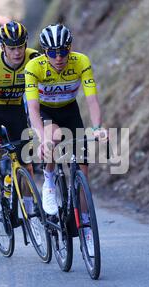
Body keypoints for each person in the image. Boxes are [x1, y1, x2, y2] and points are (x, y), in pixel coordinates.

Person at [24, 24, 108, 217]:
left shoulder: (81, 61)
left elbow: (92, 100)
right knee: (54, 137)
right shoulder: (33, 67)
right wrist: (42, 138)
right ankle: (49, 182)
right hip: (44, 111)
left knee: (83, 172)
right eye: (53, 53)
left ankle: (85, 224)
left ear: (69, 48)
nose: (59, 58)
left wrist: (97, 127)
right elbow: (33, 108)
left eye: (63, 51)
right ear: (45, 52)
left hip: (69, 110)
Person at [0, 20, 40, 218]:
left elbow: (40, 97)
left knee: (27, 162)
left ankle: (29, 209)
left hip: (16, 110)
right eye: (12, 48)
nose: (17, 52)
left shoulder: (34, 58)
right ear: (2, 47)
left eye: (21, 46)